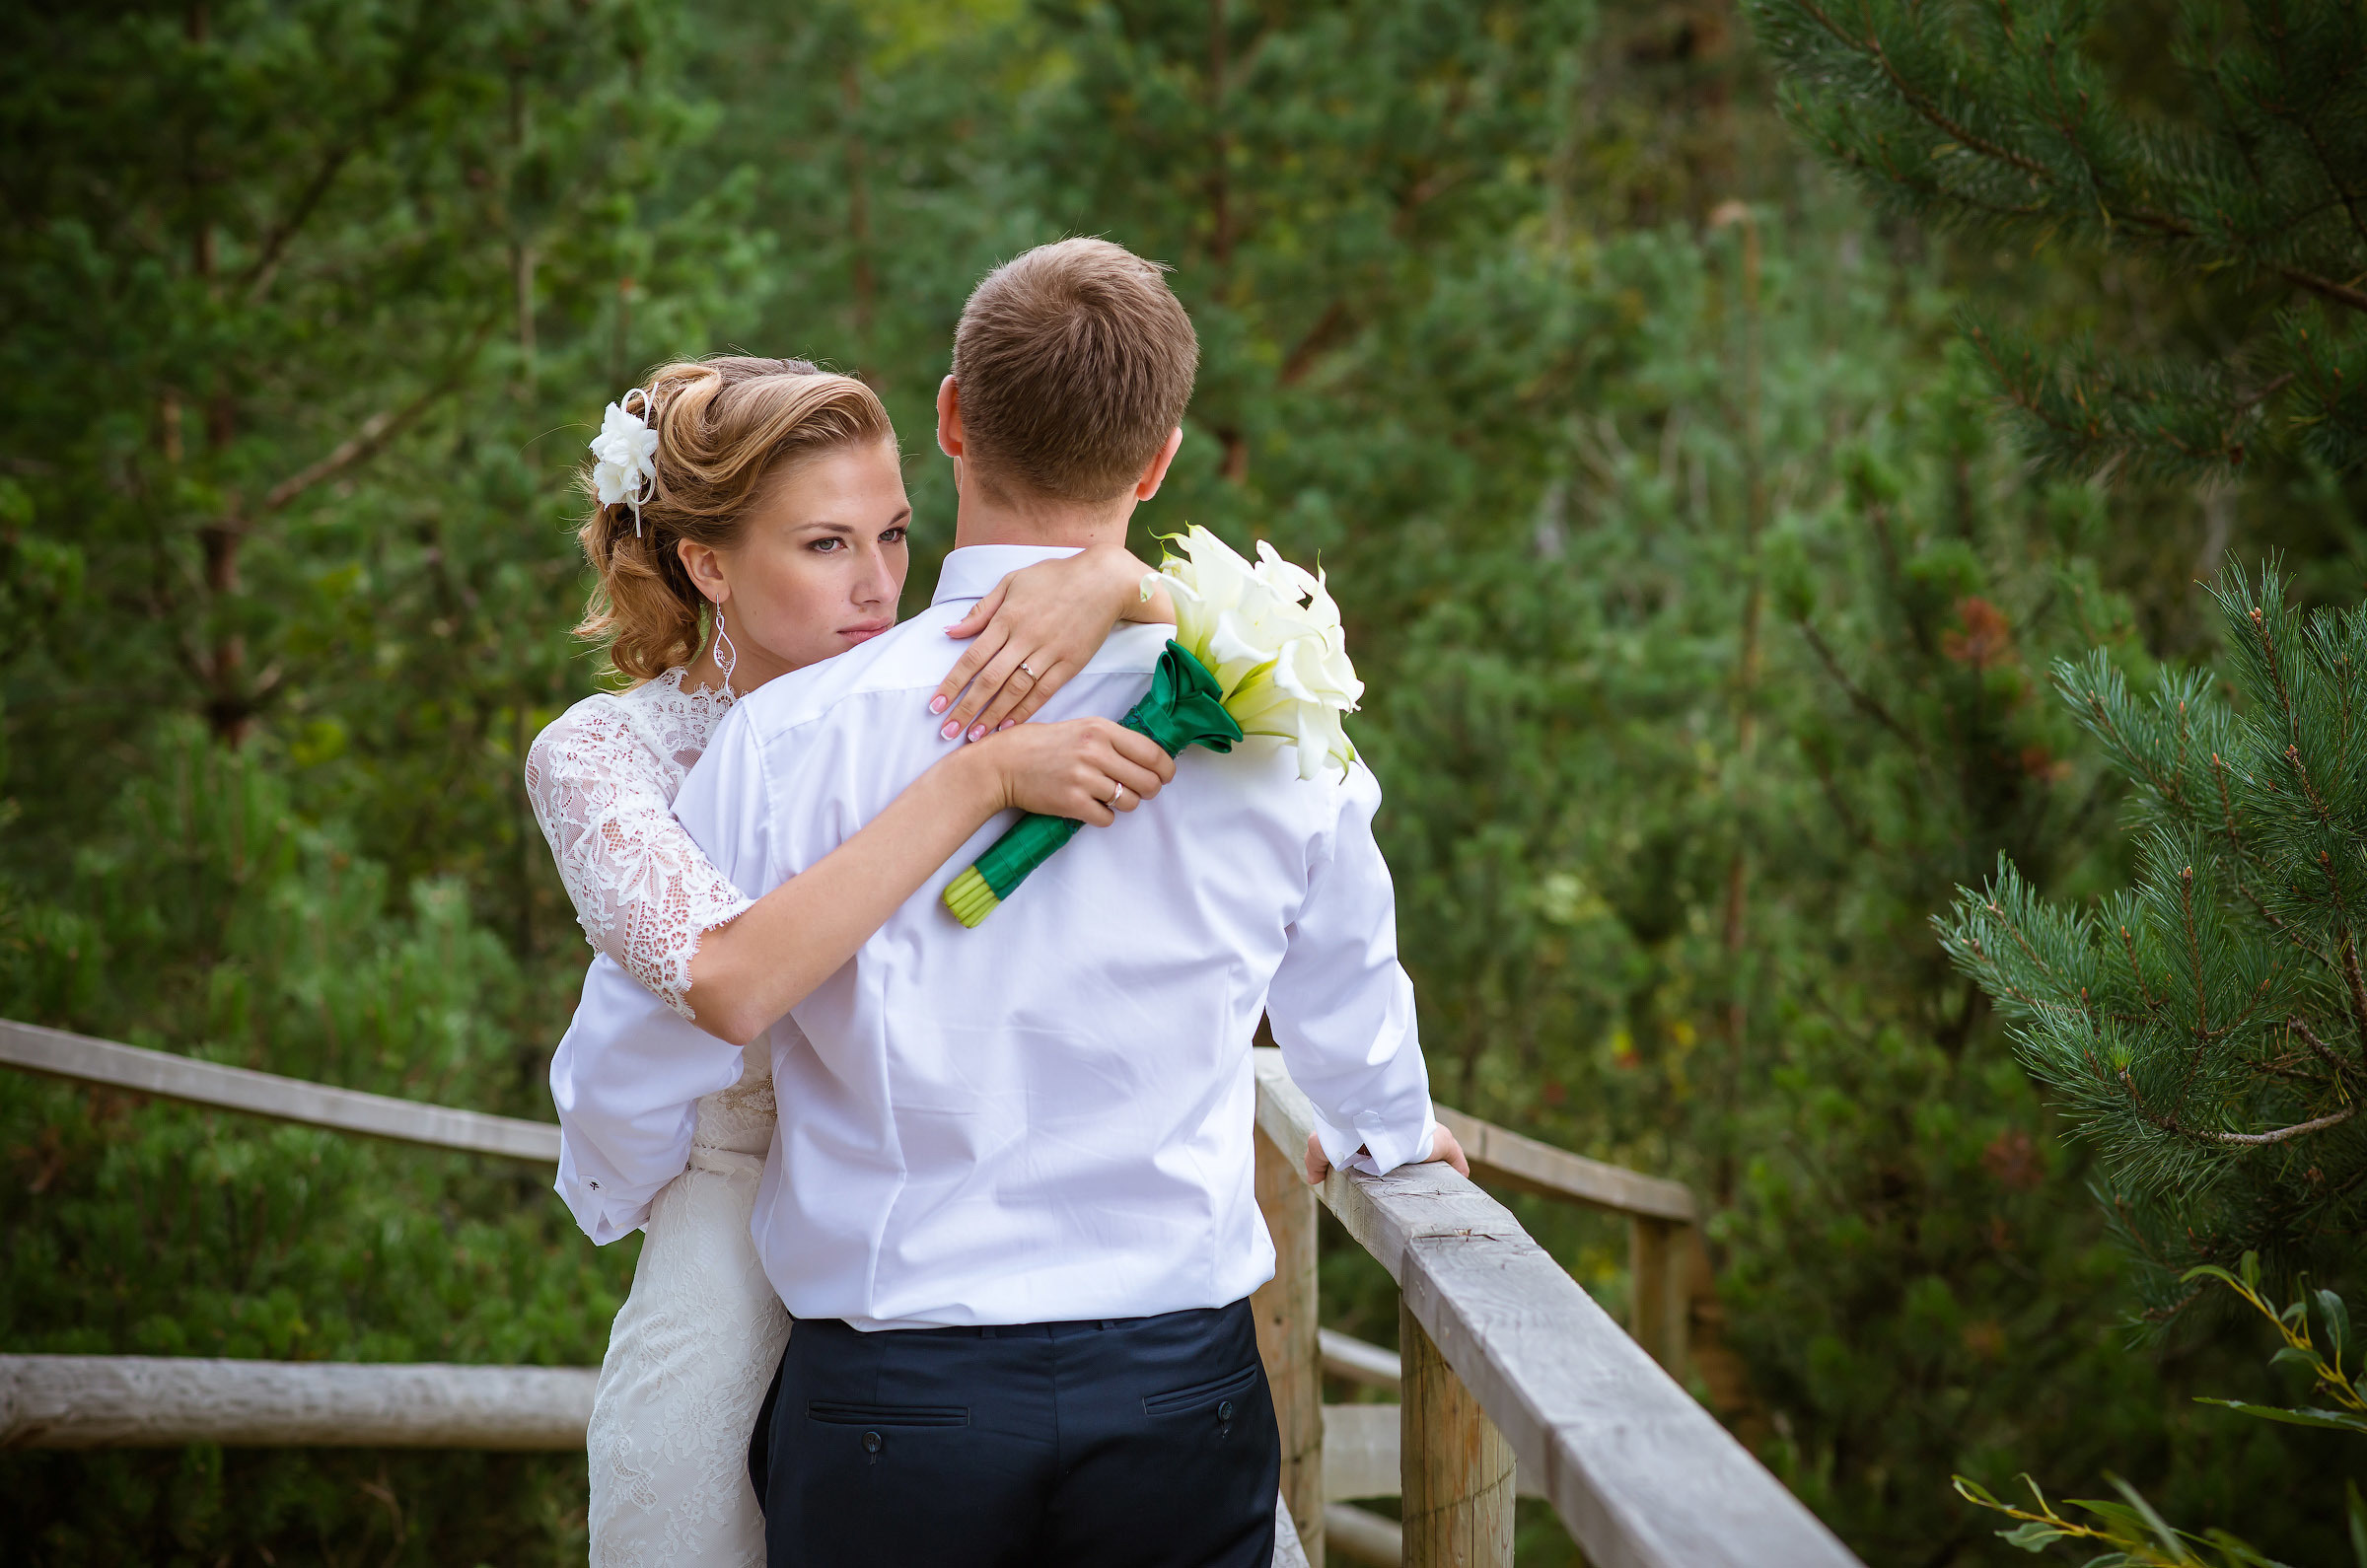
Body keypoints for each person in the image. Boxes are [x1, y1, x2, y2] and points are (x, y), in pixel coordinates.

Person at [552, 240, 1466, 1568]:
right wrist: (1387, 1130)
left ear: (950, 420)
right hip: (1177, 1375)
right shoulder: (1279, 726)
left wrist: (634, 1185)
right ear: (1159, 460)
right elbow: (1349, 988)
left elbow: (650, 1045)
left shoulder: (789, 737)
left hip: (893, 1387)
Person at [526, 354, 1186, 1566]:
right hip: (740, 1218)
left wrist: (1115, 575)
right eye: (827, 546)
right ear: (707, 564)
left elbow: (1245, 655)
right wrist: (980, 779)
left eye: (893, 533)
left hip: (958, 1208)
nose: (879, 584)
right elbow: (725, 981)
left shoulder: (951, 676)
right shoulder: (601, 757)